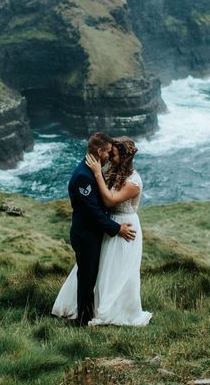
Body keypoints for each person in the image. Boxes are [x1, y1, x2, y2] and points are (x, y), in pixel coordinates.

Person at [52, 133, 136, 326]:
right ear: (99, 152)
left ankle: (88, 314)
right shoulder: (83, 176)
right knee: (87, 278)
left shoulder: (91, 171)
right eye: (107, 152)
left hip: (91, 233)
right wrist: (117, 229)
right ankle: (83, 320)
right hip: (85, 235)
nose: (108, 156)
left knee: (91, 275)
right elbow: (92, 212)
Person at [83, 136, 152, 326]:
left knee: (121, 270)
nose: (110, 158)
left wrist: (97, 174)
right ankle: (97, 305)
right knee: (106, 267)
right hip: (111, 225)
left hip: (126, 227)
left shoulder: (133, 181)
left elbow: (110, 201)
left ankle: (118, 310)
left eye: (113, 155)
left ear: (123, 157)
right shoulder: (112, 170)